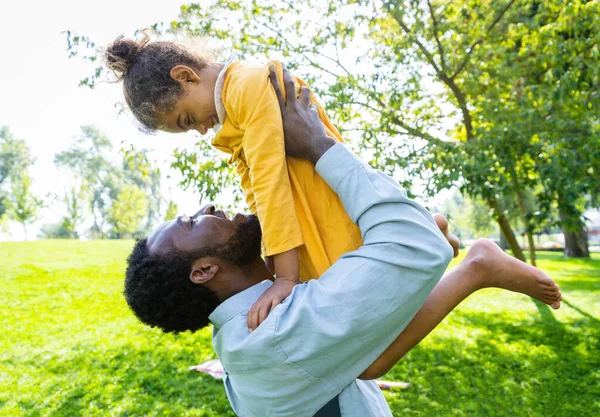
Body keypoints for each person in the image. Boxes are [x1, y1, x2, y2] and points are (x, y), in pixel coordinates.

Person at [123, 67, 562, 417]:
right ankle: (477, 266)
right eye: (190, 222)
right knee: (371, 359)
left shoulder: (252, 324)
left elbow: (263, 179)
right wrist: (319, 145)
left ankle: (475, 267)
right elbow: (417, 244)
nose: (209, 207)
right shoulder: (273, 332)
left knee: (369, 359)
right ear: (203, 270)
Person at [105, 32, 370, 329]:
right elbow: (256, 194)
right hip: (307, 218)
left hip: (323, 208)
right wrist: (272, 266)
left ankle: (425, 228)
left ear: (185, 76)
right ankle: (427, 227)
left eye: (188, 120)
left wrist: (284, 278)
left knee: (352, 302)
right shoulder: (234, 106)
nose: (203, 131)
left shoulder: (247, 86)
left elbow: (271, 184)